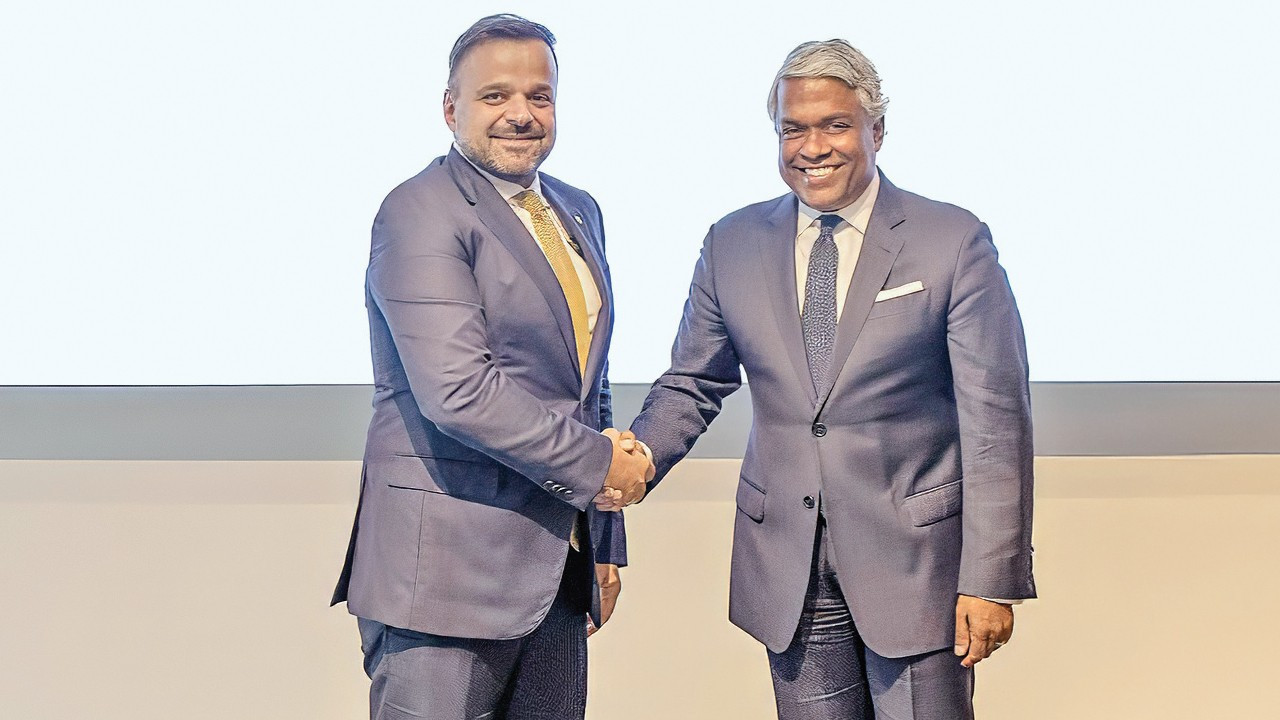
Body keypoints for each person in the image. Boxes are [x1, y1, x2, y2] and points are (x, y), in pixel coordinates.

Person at [626, 39, 1035, 719]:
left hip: (919, 570)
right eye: (793, 129)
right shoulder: (731, 243)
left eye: (835, 125)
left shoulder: (952, 241)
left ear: (877, 129)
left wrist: (991, 578)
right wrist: (632, 460)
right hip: (788, 571)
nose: (812, 147)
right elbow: (693, 382)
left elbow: (995, 423)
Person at [331, 14, 651, 720]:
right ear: (451, 109)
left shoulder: (577, 210)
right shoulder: (418, 210)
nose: (521, 113)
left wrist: (603, 537)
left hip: (559, 571)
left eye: (540, 96)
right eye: (495, 95)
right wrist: (601, 465)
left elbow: (586, 388)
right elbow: (458, 390)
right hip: (444, 580)